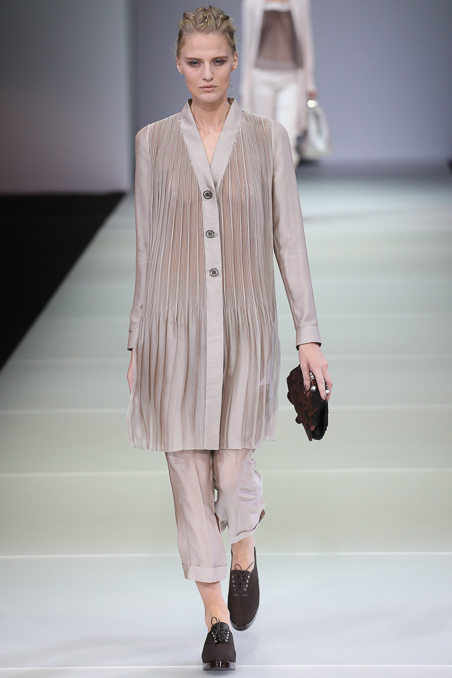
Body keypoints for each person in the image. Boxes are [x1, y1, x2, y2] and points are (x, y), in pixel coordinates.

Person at [126, 5, 332, 672]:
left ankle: (244, 546)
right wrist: (137, 339)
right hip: (175, 330)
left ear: (235, 61)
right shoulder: (152, 143)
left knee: (233, 469)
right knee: (189, 475)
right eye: (195, 62)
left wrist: (307, 336)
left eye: (218, 61)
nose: (207, 73)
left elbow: (289, 241)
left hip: (246, 330)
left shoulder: (268, 139)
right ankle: (216, 620)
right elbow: (148, 249)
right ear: (178, 64)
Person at [241, 0, 317, 165]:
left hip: (291, 77)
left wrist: (309, 81)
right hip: (261, 76)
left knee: (288, 137)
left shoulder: (300, 2)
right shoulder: (252, 3)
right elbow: (248, 44)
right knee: (263, 137)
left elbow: (305, 39)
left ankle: (286, 180)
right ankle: (267, 181)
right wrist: (245, 87)